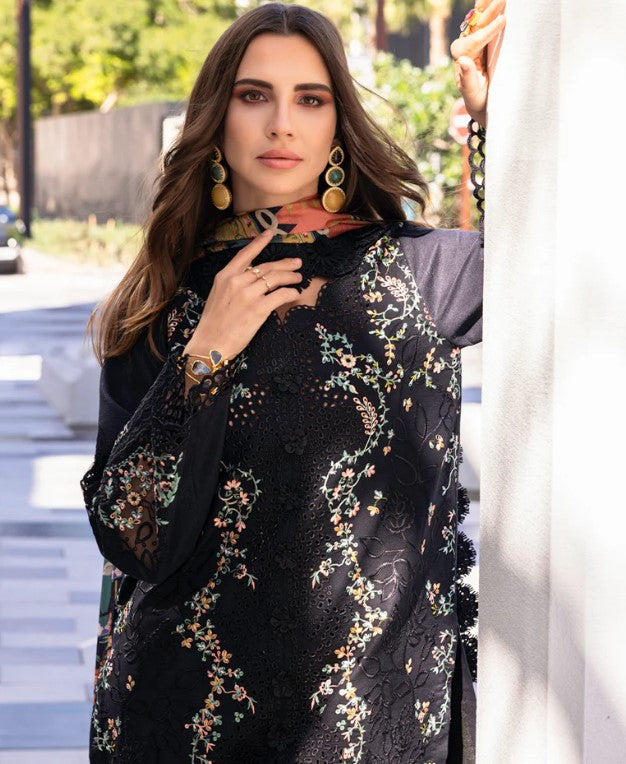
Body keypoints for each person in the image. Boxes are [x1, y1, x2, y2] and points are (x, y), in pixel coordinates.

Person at [81, 2, 505, 761]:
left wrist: (492, 121)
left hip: (377, 728)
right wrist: (204, 356)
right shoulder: (160, 303)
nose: (282, 125)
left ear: (338, 124)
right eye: (254, 96)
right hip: (186, 728)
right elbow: (133, 536)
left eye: (310, 99)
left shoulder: (420, 273)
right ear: (217, 118)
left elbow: (562, 259)